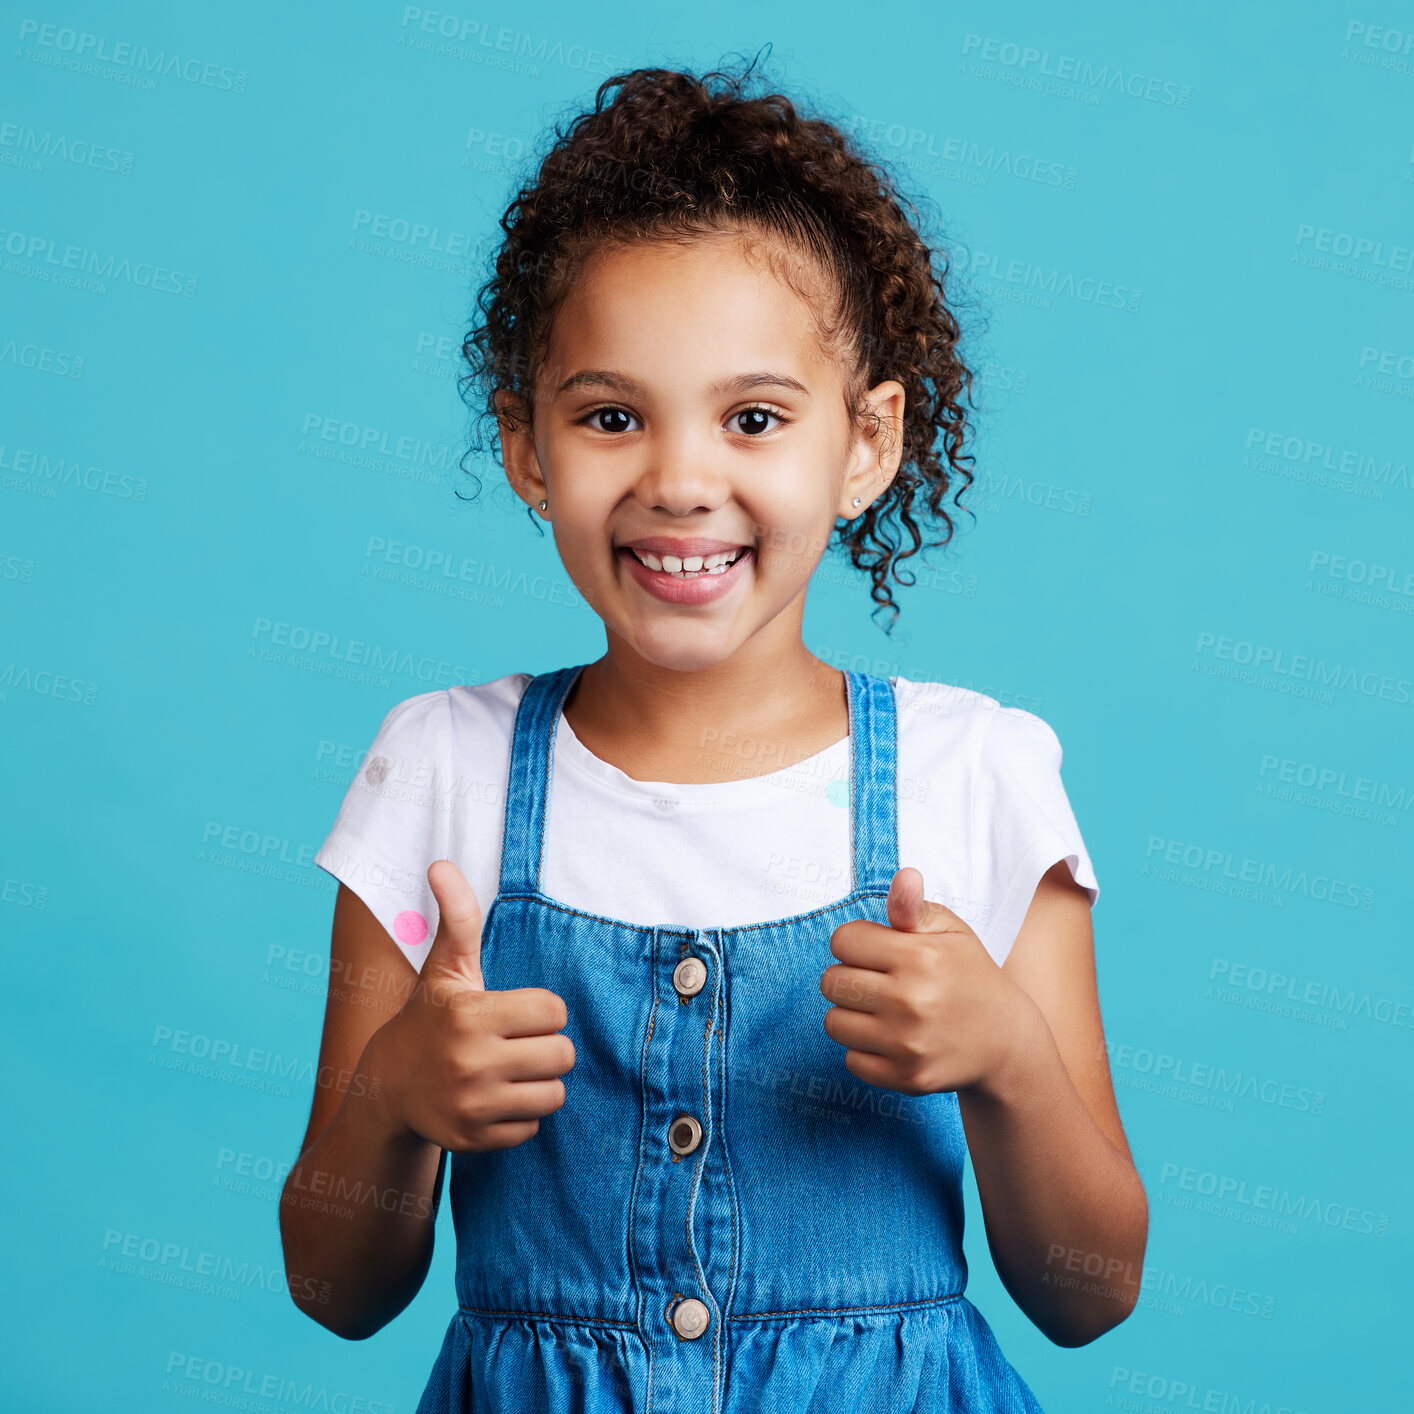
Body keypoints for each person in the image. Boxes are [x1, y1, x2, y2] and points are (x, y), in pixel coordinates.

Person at [280, 55, 1147, 1413]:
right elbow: (333, 1290)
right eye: (611, 415)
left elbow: (1089, 1292)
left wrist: (1005, 1060)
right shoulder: (434, 767)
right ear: (526, 447)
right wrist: (395, 1095)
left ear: (863, 445)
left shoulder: (972, 774)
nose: (681, 480)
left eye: (753, 418)